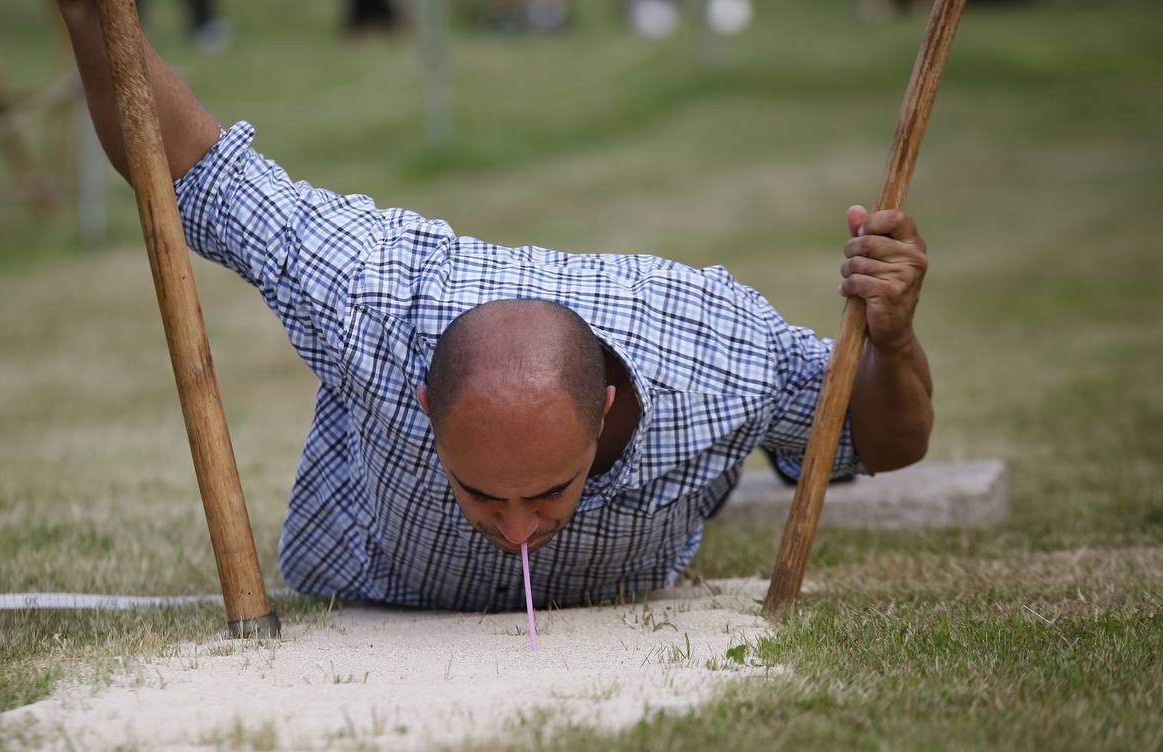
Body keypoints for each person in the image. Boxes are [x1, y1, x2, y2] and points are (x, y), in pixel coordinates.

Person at [57, 0, 934, 611]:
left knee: (782, 436)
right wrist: (89, 16)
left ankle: (722, 477)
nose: (516, 531)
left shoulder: (721, 352)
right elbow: (197, 176)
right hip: (366, 571)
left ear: (605, 409)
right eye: (481, 494)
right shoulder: (374, 301)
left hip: (681, 460)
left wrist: (892, 346)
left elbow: (882, 442)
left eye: (549, 491)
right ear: (425, 404)